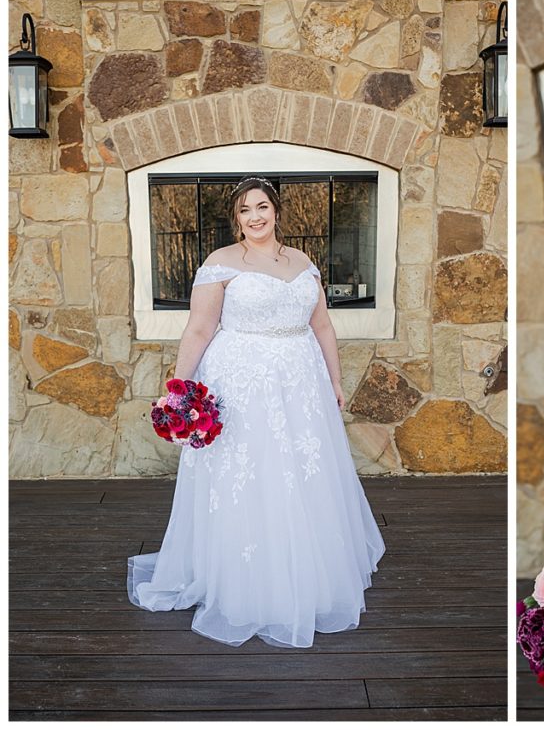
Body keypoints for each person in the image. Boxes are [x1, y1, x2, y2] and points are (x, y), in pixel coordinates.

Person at [128, 175, 385, 648]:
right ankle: (245, 576)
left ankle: (303, 571)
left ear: (276, 211)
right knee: (251, 472)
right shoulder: (220, 263)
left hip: (301, 381)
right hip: (242, 381)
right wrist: (179, 392)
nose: (255, 217)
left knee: (301, 472)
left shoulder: (303, 262)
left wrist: (335, 380)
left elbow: (323, 326)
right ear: (236, 219)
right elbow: (199, 331)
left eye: (262, 206)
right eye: (245, 210)